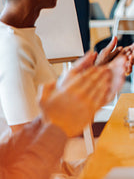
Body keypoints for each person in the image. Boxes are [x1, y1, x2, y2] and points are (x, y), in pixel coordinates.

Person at [0, 0, 134, 141]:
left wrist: (100, 67)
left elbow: (47, 116)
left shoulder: (26, 37)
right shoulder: (13, 47)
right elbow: (28, 144)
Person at [0, 51, 126, 179]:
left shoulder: (26, 41)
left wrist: (88, 81)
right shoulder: (13, 51)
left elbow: (10, 155)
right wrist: (57, 126)